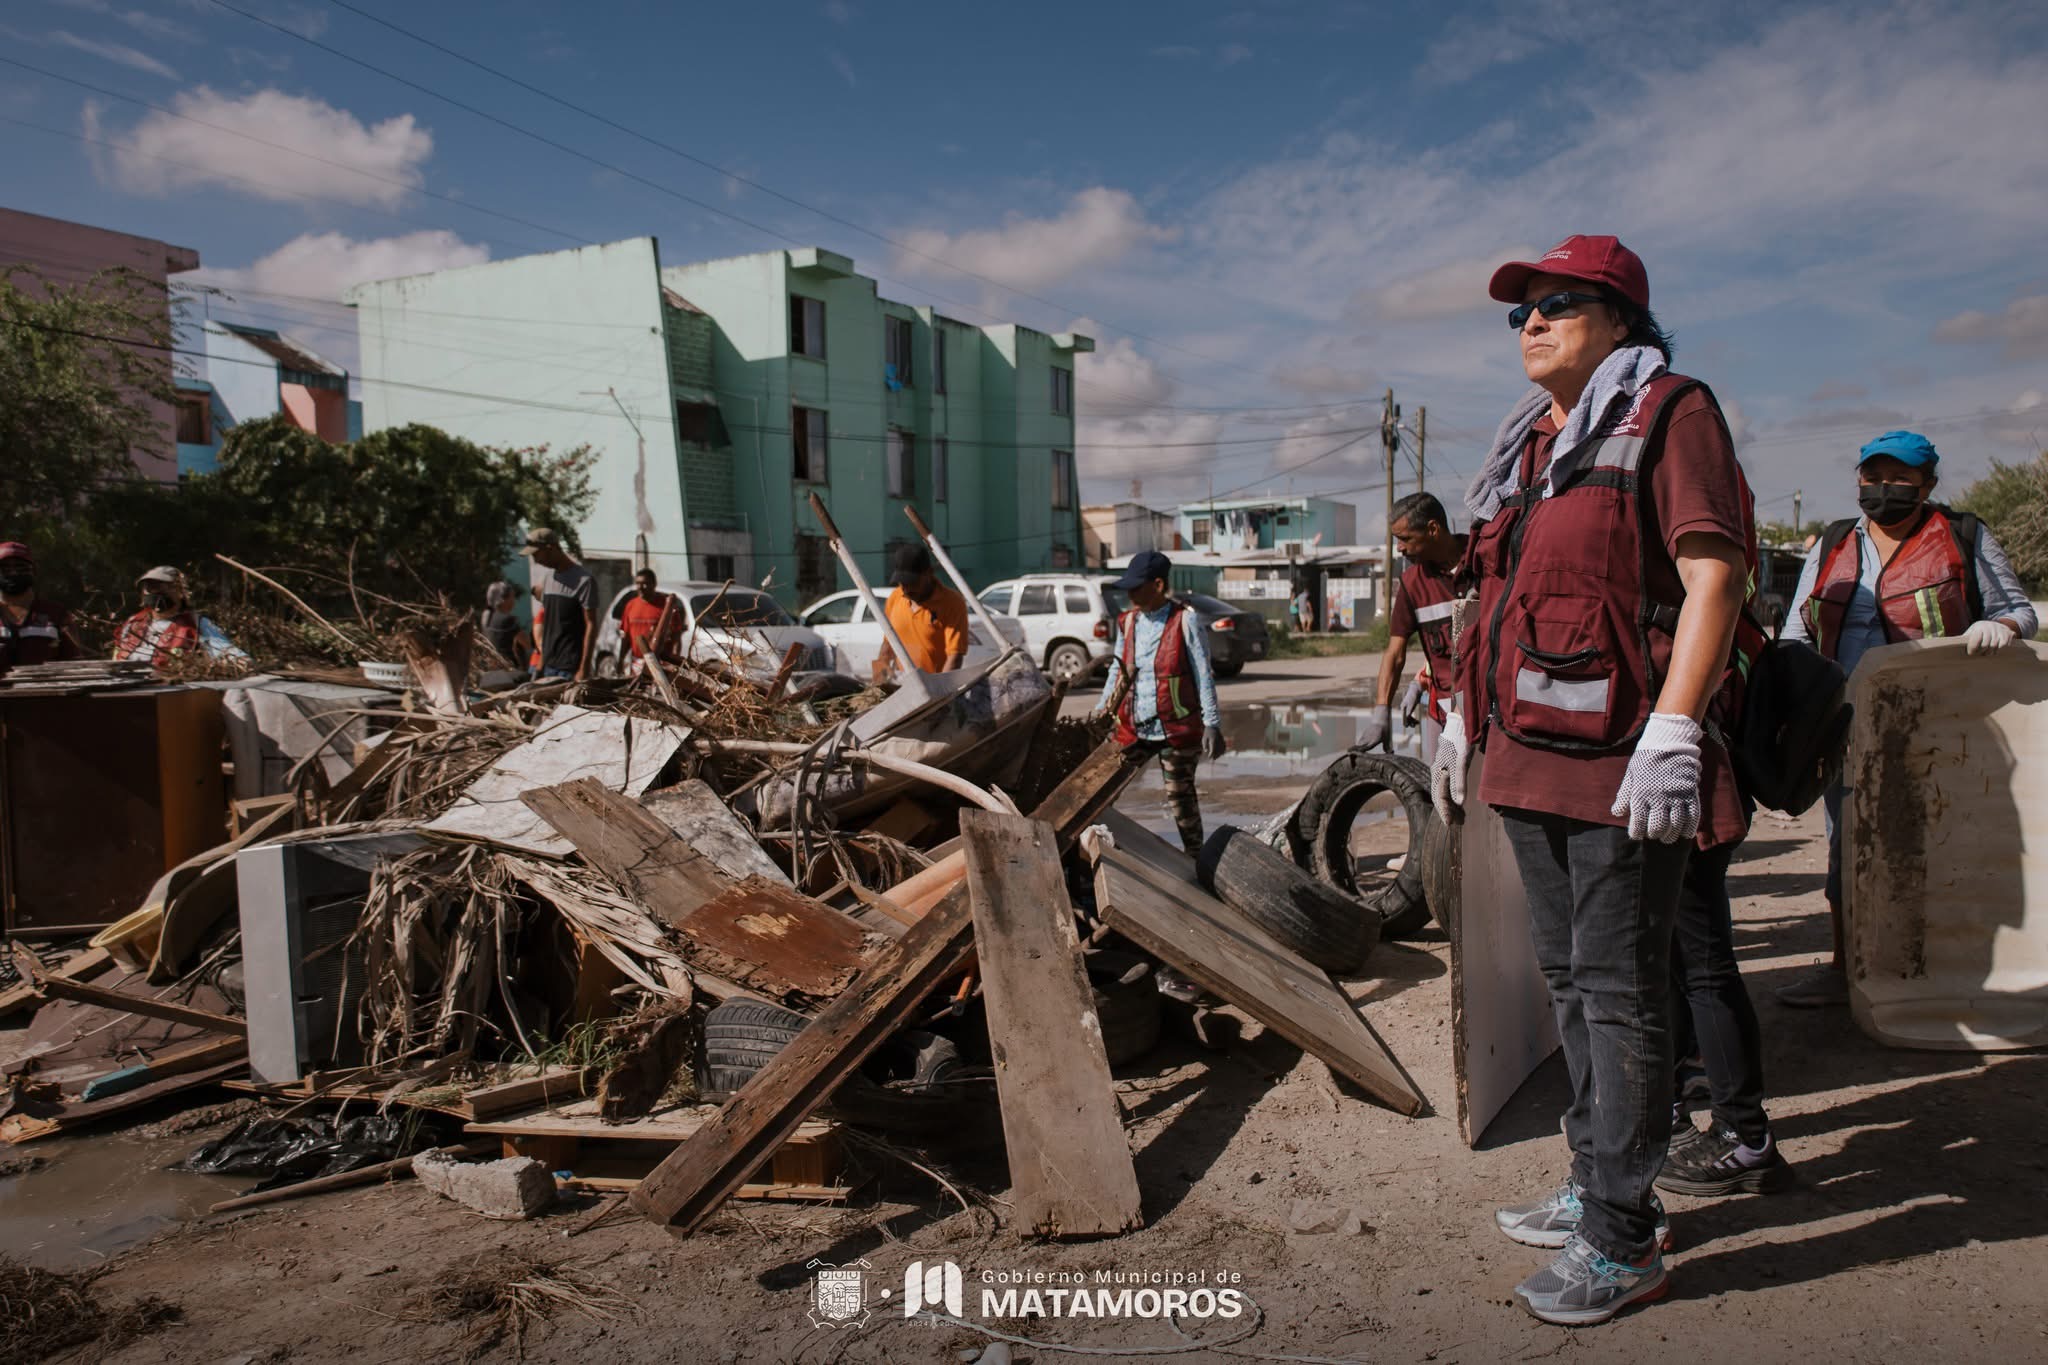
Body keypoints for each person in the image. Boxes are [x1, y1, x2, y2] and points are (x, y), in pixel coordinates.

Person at [1435, 235, 1755, 1325]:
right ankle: (1593, 1184)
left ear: (1622, 321)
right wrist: (1453, 714)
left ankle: (1624, 1239)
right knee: (1570, 983)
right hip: (1525, 755)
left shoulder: (1670, 412)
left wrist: (1675, 727)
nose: (1530, 320)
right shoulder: (1532, 442)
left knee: (1620, 997)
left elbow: (1715, 572)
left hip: (1624, 764)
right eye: (1519, 309)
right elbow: (1499, 597)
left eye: (1560, 302)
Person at [1773, 430, 2037, 1008]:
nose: (1882, 488)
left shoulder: (1963, 536)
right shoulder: (1835, 543)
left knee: (1937, 843)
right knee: (1849, 847)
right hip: (1845, 723)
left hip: (1936, 723)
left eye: (1898, 479)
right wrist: (1798, 687)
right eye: (1872, 477)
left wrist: (2004, 628)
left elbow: (2017, 609)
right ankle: (1848, 971)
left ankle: (1941, 974)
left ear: (1927, 485)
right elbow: (1796, 629)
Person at [1093, 550, 1226, 855]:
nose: (1130, 594)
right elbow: (1117, 668)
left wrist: (1212, 724)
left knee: (1181, 799)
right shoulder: (1127, 622)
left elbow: (1203, 673)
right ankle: (1099, 853)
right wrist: (1102, 711)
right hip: (1133, 726)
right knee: (1103, 789)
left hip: (1176, 728)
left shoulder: (1185, 621)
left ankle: (1197, 861)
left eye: (1136, 587)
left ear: (1157, 585)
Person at [1357, 492, 1466, 756]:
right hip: (1444, 716)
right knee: (1442, 794)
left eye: (1405, 539)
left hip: (1491, 715)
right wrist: (1381, 714)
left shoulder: (1485, 560)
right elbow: (1395, 653)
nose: (1400, 548)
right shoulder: (1412, 584)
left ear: (1432, 529)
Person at [872, 544, 970, 685]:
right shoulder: (895, 597)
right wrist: (877, 685)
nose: (906, 589)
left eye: (912, 582)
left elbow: (954, 657)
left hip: (935, 688)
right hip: (903, 686)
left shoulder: (952, 603)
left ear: (928, 573)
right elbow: (888, 646)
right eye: (901, 582)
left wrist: (940, 694)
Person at [0, 541, 85, 677]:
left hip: (45, 694)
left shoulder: (57, 614)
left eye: (20, 567)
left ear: (33, 571)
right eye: (4, 568)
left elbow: (75, 664)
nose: (13, 572)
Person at [521, 528, 596, 682]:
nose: (535, 560)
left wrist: (584, 668)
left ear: (551, 548)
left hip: (570, 669)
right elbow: (549, 625)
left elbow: (591, 624)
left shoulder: (584, 581)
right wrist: (541, 663)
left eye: (536, 554)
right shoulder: (549, 579)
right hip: (547, 667)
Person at [115, 566, 205, 671]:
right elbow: (116, 659)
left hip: (168, 685)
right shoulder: (133, 623)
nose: (155, 591)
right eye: (149, 587)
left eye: (161, 587)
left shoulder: (198, 624)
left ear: (180, 591)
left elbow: (225, 657)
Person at [619, 569, 680, 674]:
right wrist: (620, 660)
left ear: (654, 584)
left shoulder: (666, 606)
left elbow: (676, 637)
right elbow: (626, 637)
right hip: (637, 662)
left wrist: (675, 662)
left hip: (661, 663)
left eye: (645, 584)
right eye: (638, 583)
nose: (640, 587)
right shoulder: (631, 605)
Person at [479, 580, 529, 666]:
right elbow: (527, 643)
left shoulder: (486, 616)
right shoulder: (508, 619)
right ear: (503, 600)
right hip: (507, 667)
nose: (514, 601)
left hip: (490, 665)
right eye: (512, 597)